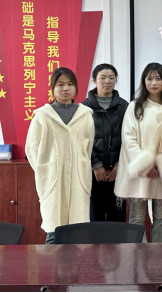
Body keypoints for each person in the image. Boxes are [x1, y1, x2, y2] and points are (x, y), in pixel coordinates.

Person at [26, 67, 95, 244]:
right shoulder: (42, 115)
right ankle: (53, 263)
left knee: (78, 233)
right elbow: (31, 149)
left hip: (78, 177)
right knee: (53, 230)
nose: (66, 88)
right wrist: (44, 170)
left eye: (70, 84)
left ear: (76, 87)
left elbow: (88, 147)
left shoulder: (85, 114)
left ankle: (75, 264)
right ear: (53, 88)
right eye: (60, 84)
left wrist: (81, 164)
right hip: (52, 179)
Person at [114, 63, 162, 242]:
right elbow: (128, 139)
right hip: (140, 172)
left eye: (158, 79)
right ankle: (137, 255)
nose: (154, 83)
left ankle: (159, 256)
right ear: (144, 81)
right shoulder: (135, 106)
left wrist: (160, 166)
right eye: (149, 79)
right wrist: (146, 166)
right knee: (137, 218)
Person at [82, 63, 129, 222]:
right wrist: (96, 164)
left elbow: (129, 138)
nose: (107, 81)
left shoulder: (124, 106)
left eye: (111, 78)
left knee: (118, 219)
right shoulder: (84, 108)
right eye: (102, 78)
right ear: (94, 81)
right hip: (93, 173)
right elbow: (82, 139)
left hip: (118, 172)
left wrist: (119, 164)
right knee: (95, 218)